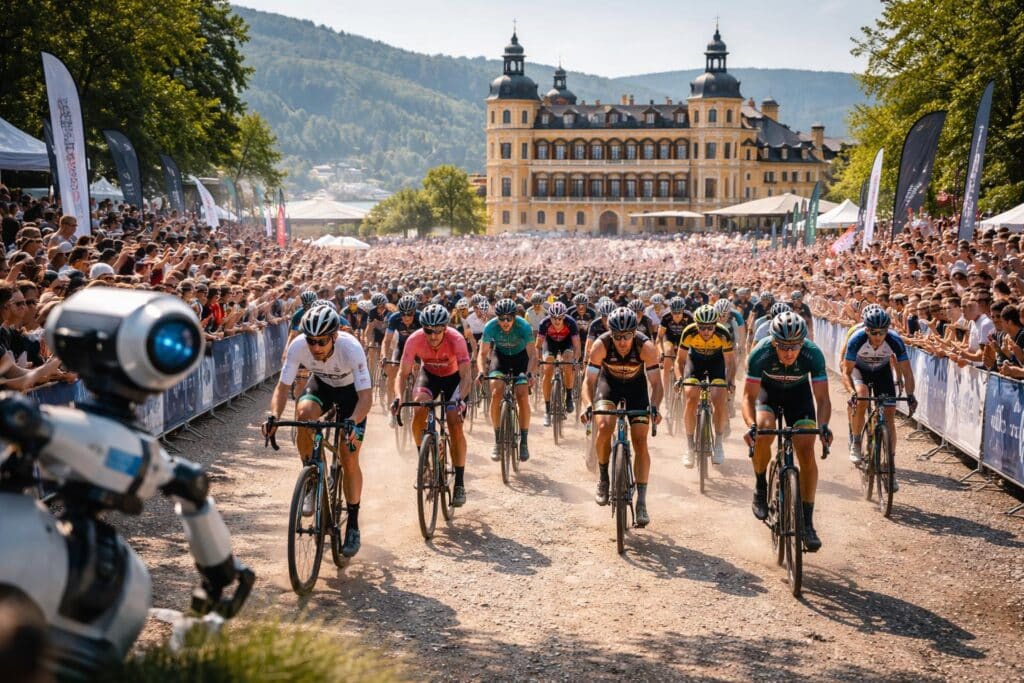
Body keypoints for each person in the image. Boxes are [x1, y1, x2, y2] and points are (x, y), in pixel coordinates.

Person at [264, 304, 371, 558]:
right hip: (322, 386)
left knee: (348, 456)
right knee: (304, 417)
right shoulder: (298, 346)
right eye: (311, 341)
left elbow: (366, 398)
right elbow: (282, 387)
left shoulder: (351, 348)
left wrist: (353, 421)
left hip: (351, 395)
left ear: (334, 336)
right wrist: (274, 416)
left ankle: (353, 524)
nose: (316, 347)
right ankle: (313, 477)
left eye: (322, 341)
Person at [742, 312, 832, 552]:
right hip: (768, 395)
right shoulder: (760, 353)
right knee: (764, 430)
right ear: (773, 342)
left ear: (803, 342)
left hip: (799, 398)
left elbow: (823, 399)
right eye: (783, 346)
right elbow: (748, 397)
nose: (789, 352)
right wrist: (751, 425)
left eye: (795, 346)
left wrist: (823, 426)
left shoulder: (813, 354)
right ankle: (760, 486)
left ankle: (808, 523)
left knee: (806, 449)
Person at [580, 307, 663, 528]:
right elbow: (589, 382)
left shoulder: (646, 347)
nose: (622, 342)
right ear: (611, 333)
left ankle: (642, 502)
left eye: (627, 336)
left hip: (637, 390)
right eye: (617, 336)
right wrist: (587, 405)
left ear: (634, 333)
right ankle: (604, 478)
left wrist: (654, 407)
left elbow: (656, 384)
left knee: (640, 440)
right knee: (604, 426)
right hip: (609, 386)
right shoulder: (601, 345)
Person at [392, 303, 473, 505]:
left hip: (454, 379)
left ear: (445, 327)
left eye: (438, 330)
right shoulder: (414, 339)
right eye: (429, 331)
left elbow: (466, 376)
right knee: (419, 408)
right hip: (429, 376)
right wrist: (398, 397)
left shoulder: (456, 339)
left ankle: (460, 483)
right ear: (423, 329)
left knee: (454, 421)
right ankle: (424, 463)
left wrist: (459, 400)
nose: (434, 335)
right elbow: (402, 373)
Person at [842, 307, 916, 472]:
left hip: (882, 372)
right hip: (860, 370)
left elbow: (907, 372)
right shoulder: (857, 338)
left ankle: (890, 463)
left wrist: (911, 395)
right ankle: (856, 442)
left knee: (889, 414)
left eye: (882, 332)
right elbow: (846, 372)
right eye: (874, 332)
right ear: (866, 330)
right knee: (862, 396)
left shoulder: (895, 340)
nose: (878, 337)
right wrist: (852, 392)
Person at [674, 304, 735, 466]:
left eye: (710, 328)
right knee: (690, 398)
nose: (706, 331)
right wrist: (679, 378)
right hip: (695, 362)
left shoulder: (723, 333)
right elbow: (680, 360)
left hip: (716, 363)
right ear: (696, 325)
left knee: (719, 399)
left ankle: (719, 444)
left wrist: (730, 381)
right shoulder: (689, 332)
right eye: (702, 327)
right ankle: (689, 447)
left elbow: (730, 361)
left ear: (715, 325)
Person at [478, 298, 537, 462]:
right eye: (501, 318)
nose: (505, 322)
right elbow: (482, 353)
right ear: (496, 318)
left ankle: (524, 441)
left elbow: (533, 354)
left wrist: (530, 373)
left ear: (514, 317)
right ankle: (497, 440)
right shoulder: (490, 326)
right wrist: (481, 371)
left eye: (509, 318)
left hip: (520, 360)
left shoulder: (524, 326)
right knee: (496, 392)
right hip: (500, 359)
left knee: (522, 394)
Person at [535, 300, 580, 426]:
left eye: (560, 318)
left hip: (566, 343)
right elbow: (538, 346)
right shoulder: (544, 323)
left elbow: (577, 346)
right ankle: (547, 410)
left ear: (564, 317)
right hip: (550, 344)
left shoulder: (571, 323)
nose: (557, 321)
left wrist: (575, 360)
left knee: (568, 363)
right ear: (550, 317)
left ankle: (569, 396)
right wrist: (539, 360)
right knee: (547, 370)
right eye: (554, 318)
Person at [381, 295, 421, 423]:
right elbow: (387, 340)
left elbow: (427, 341)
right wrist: (384, 356)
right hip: (402, 346)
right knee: (393, 372)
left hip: (419, 348)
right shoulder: (394, 318)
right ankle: (392, 408)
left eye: (410, 314)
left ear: (414, 312)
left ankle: (417, 405)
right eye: (403, 314)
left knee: (419, 374)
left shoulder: (421, 318)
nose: (407, 317)